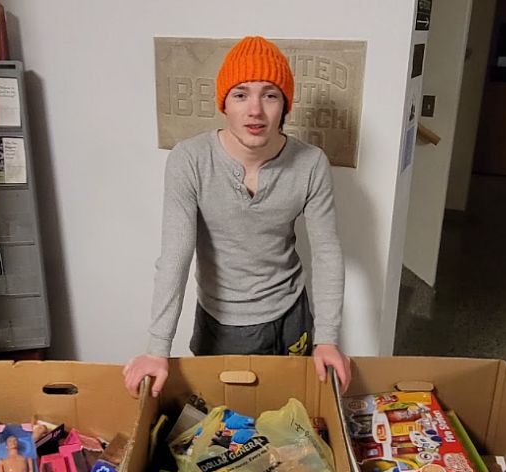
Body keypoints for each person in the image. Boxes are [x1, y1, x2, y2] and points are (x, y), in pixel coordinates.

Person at [124, 36, 351, 398]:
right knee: (224, 429)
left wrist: (327, 338)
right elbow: (175, 257)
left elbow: (327, 251)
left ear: (285, 104)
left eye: (270, 95)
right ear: (224, 104)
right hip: (222, 324)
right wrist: (157, 348)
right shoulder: (190, 160)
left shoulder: (311, 163)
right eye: (241, 94)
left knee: (292, 420)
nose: (255, 111)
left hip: (292, 315)